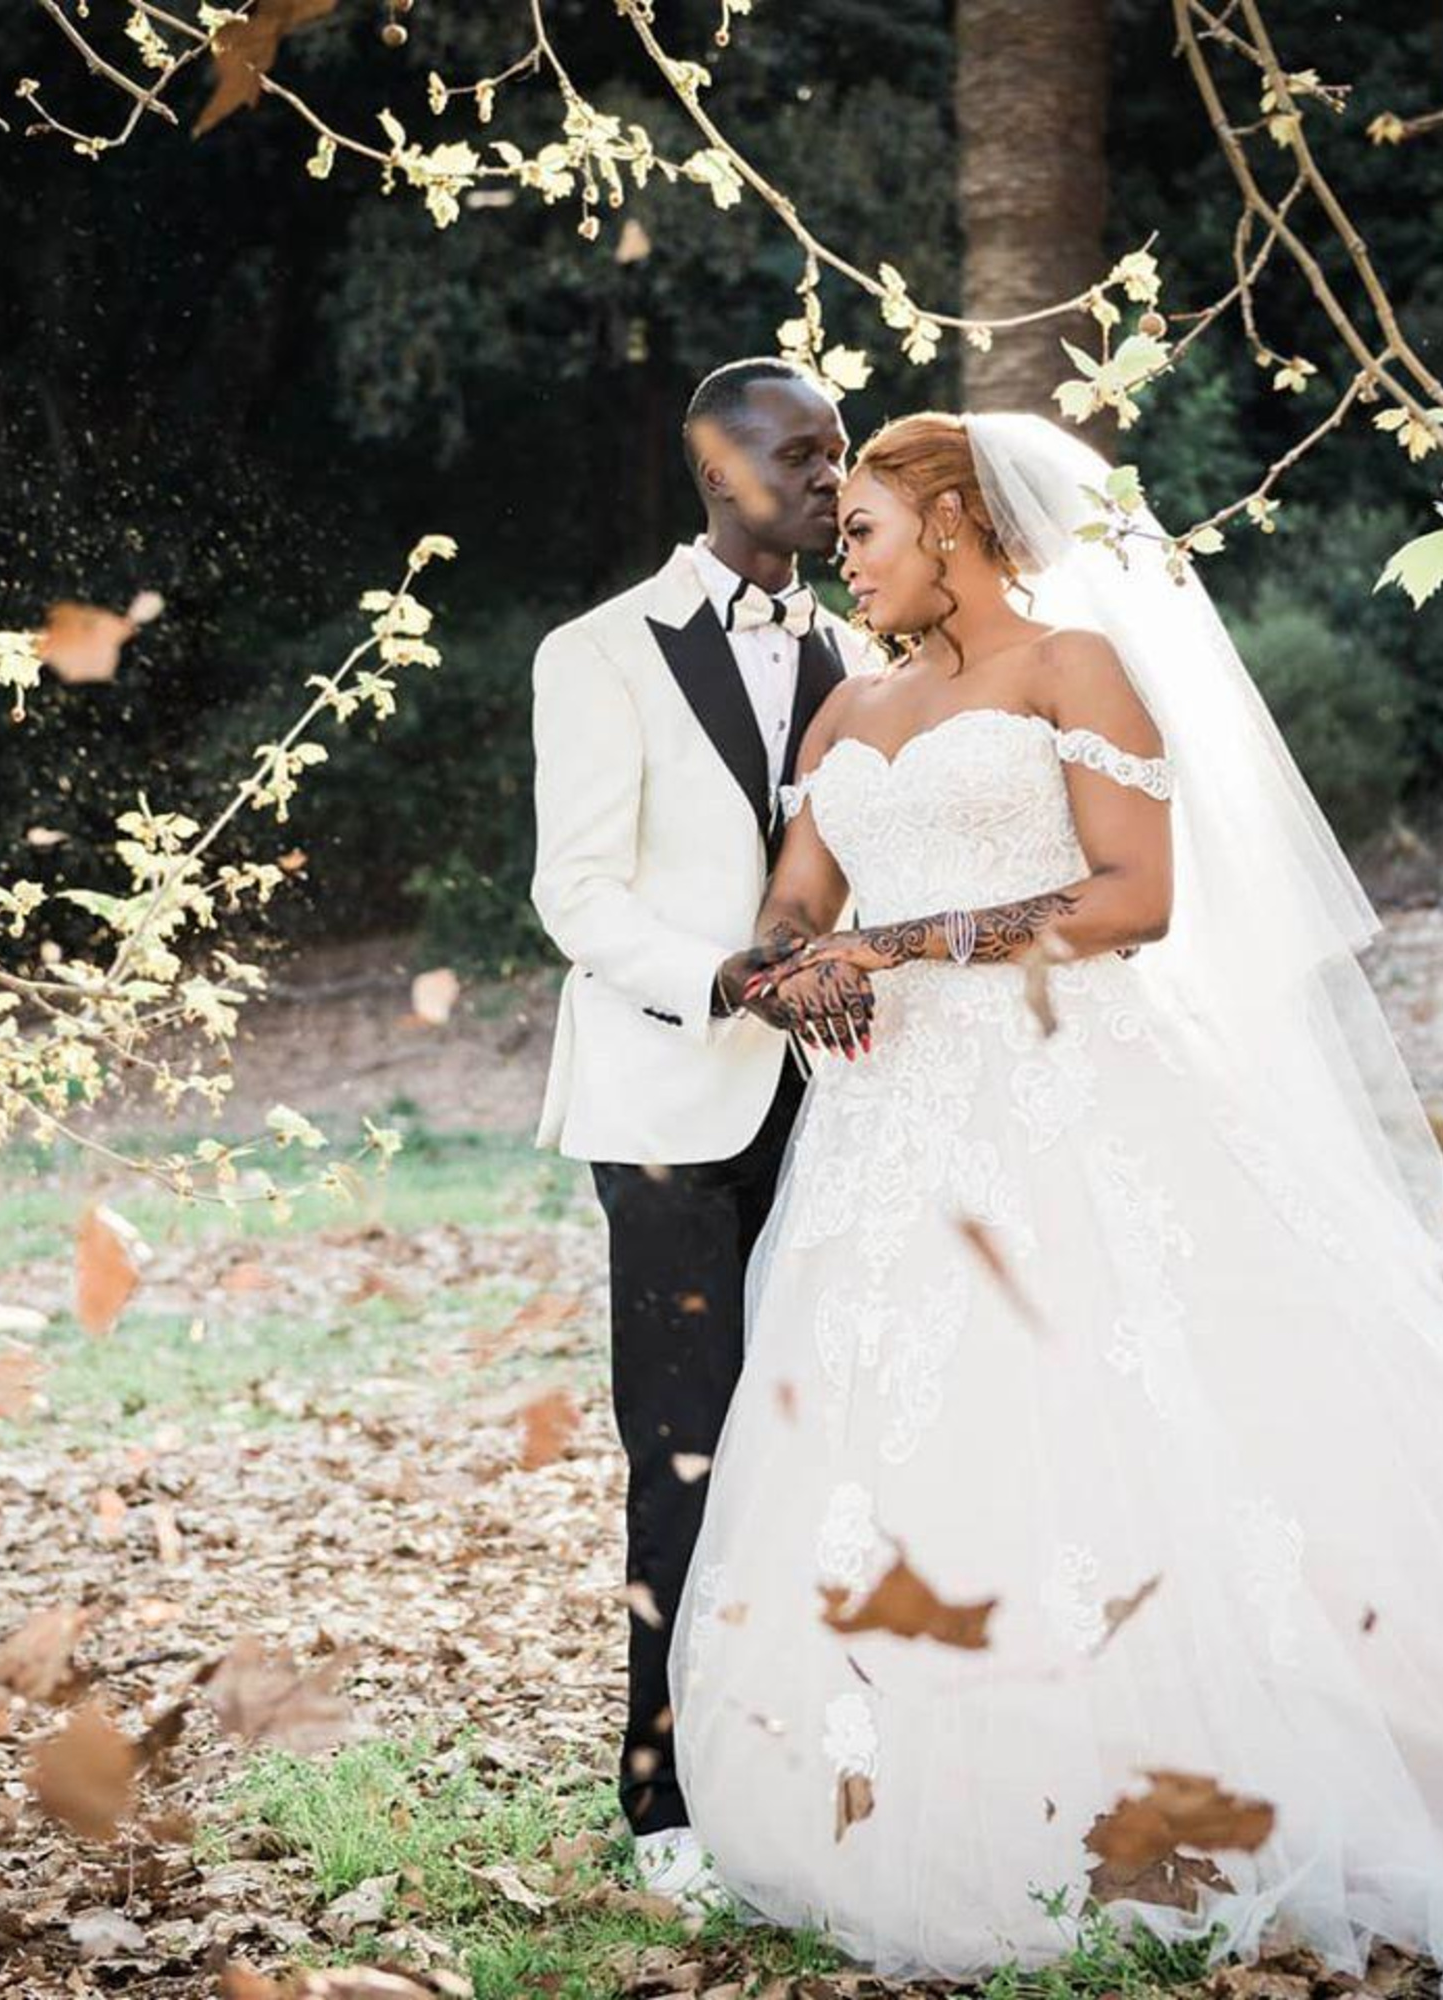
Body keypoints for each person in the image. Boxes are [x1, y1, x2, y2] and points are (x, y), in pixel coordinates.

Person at [666, 409, 1443, 1984]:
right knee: (902, 1441)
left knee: (1126, 1411)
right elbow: (798, 903)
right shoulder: (844, 714)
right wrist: (789, 974)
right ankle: (913, 1794)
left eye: (861, 526)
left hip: (1071, 1093)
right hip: (886, 1134)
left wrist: (906, 947)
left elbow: (1139, 896)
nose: (837, 552)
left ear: (952, 522)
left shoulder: (1070, 670)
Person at [528, 357, 874, 1906]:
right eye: (799, 454)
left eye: (840, 451)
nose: (828, 477)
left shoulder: (861, 655)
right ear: (717, 474)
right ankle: (663, 1799)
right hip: (670, 1104)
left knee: (835, 1447)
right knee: (684, 1454)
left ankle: (818, 1764)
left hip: (854, 1110)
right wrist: (725, 977)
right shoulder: (595, 655)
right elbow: (577, 894)